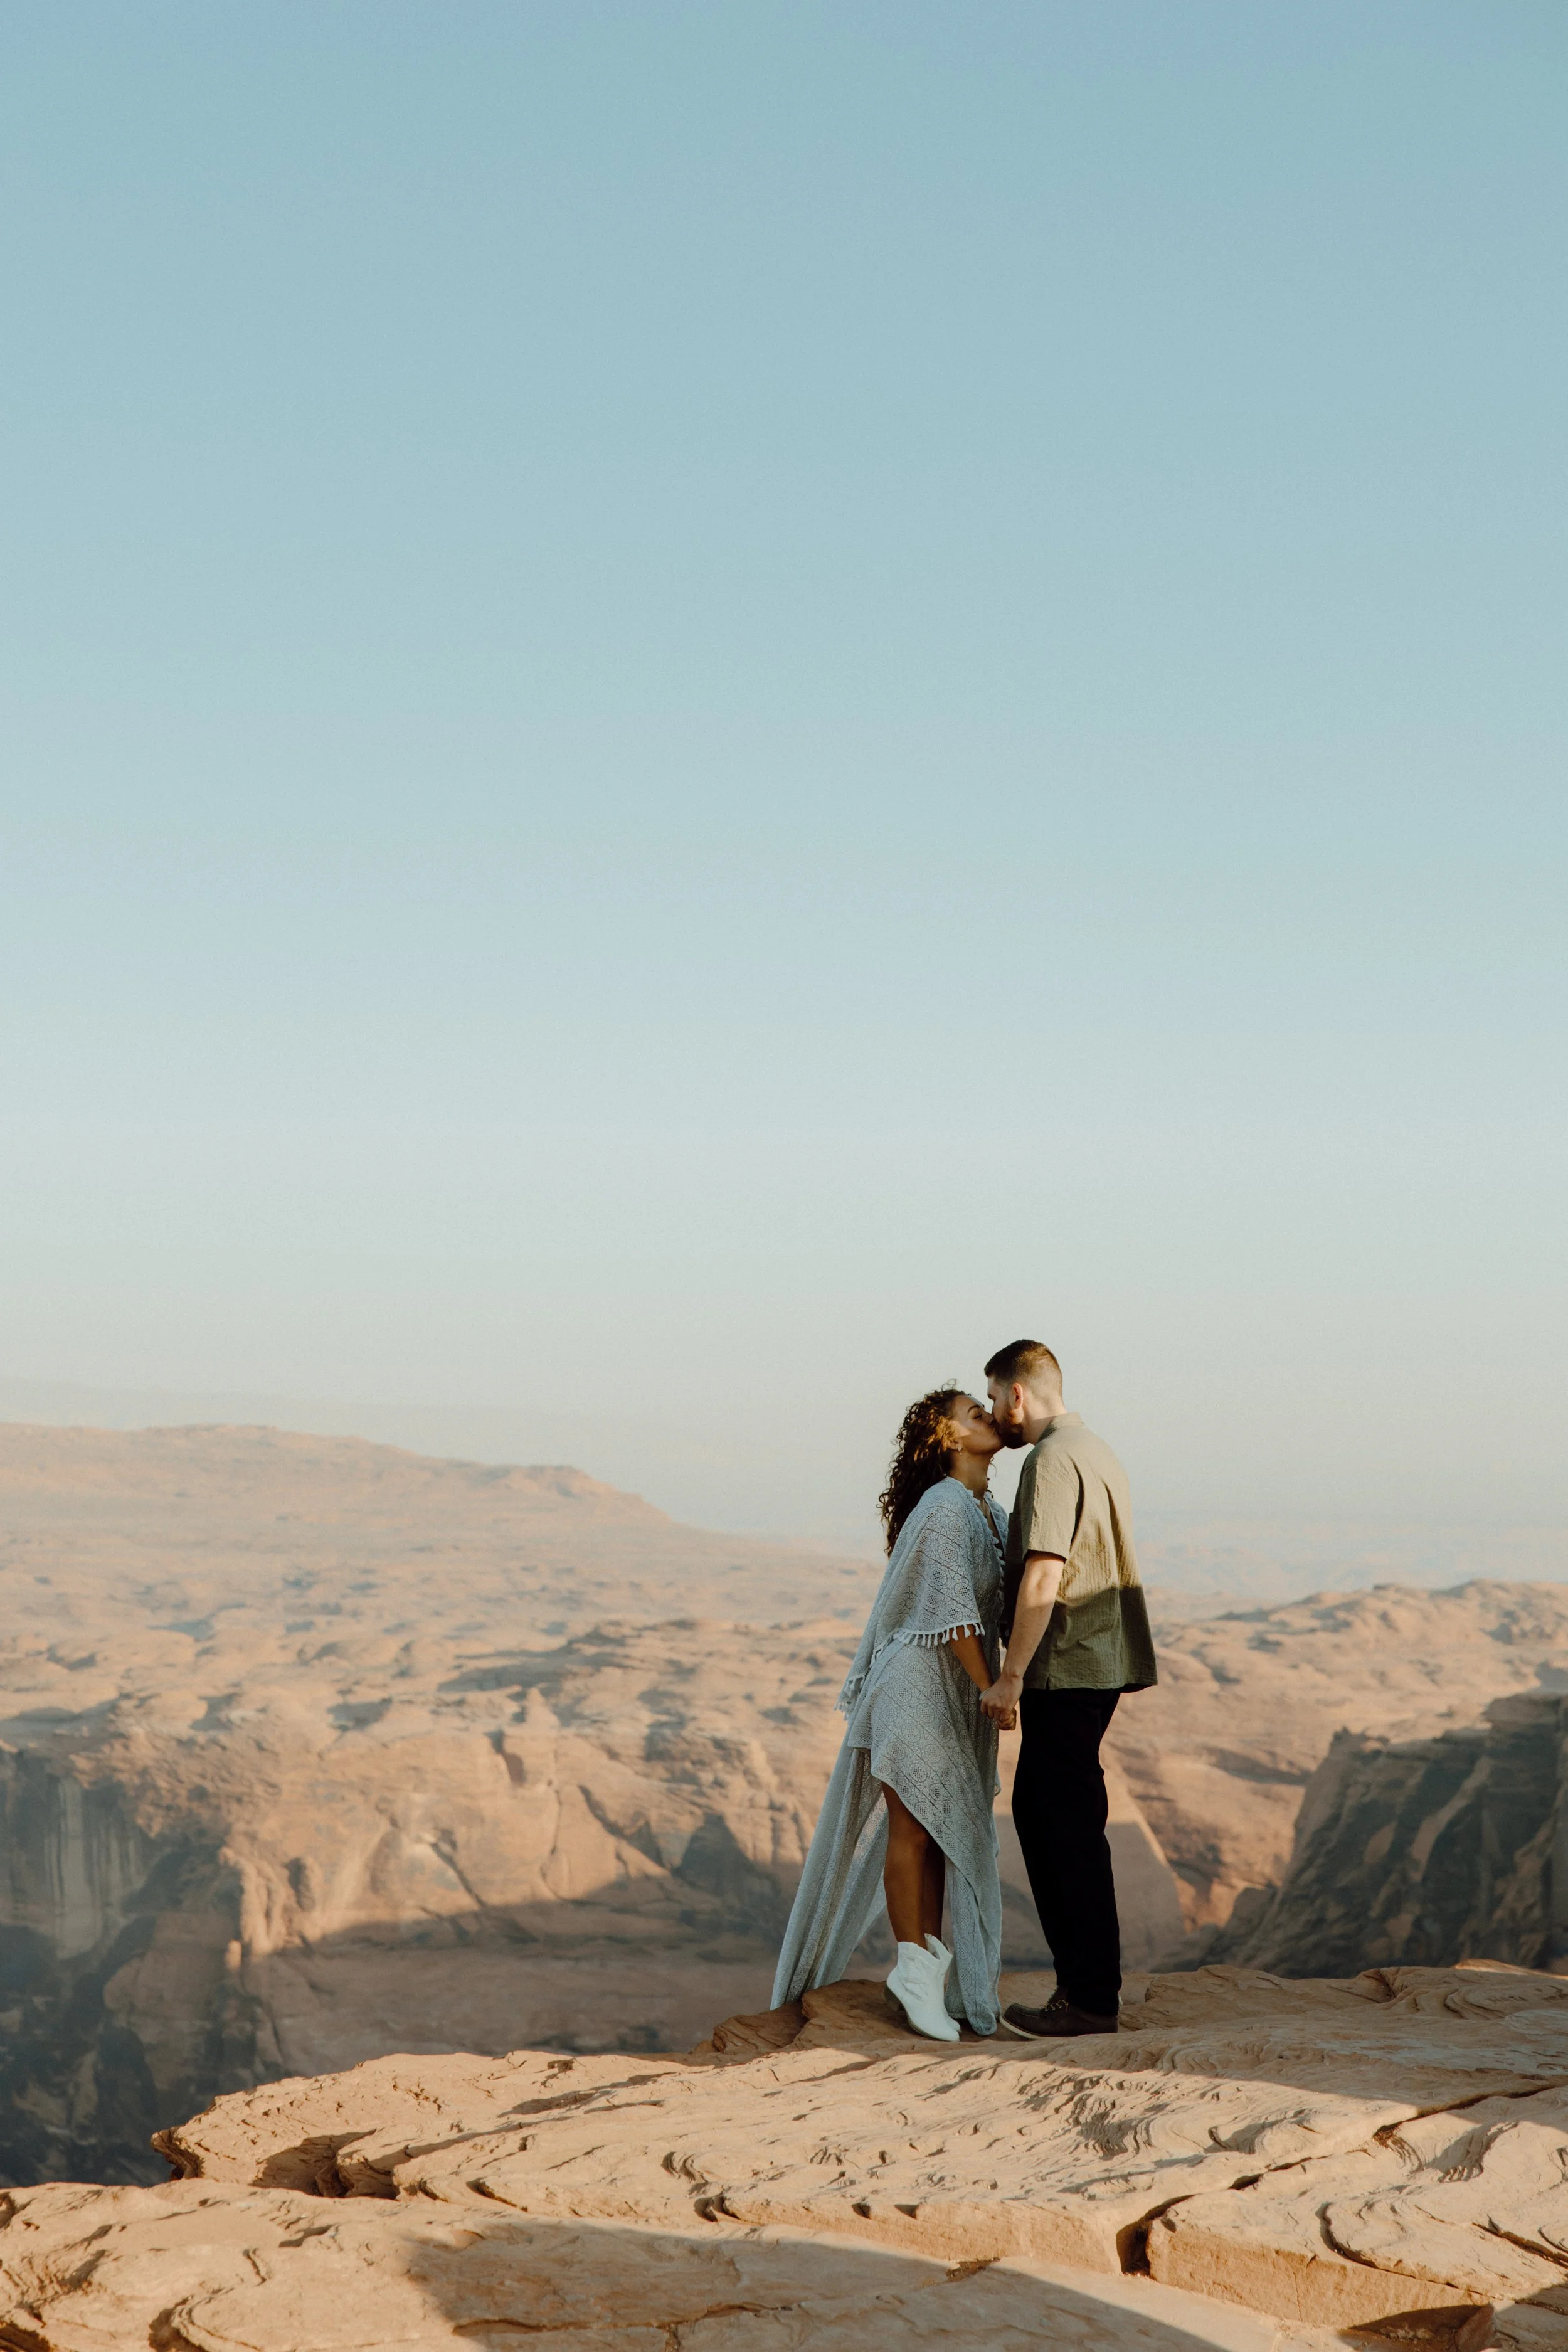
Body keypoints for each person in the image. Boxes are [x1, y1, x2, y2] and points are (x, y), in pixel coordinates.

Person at [771, 1388, 1011, 2039]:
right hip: (914, 1686)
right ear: (948, 1438)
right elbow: (951, 1614)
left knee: (934, 1832)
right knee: (911, 1829)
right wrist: (994, 1687)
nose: (988, 1416)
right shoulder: (942, 1508)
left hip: (950, 1689)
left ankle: (928, 1972)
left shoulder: (987, 1508)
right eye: (973, 1412)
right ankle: (913, 1973)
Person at [980, 1339, 1158, 2040]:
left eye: (996, 1400)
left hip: (1068, 1664)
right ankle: (1086, 1989)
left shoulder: (1051, 1462)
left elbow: (1045, 1574)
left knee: (1061, 1828)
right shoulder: (1094, 1447)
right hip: (1096, 1661)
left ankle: (1086, 2000)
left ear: (1017, 1394)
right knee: (1059, 1817)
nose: (998, 1417)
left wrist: (1011, 1675)